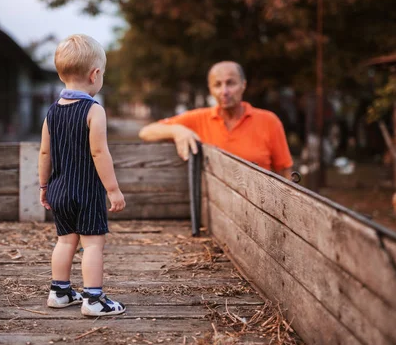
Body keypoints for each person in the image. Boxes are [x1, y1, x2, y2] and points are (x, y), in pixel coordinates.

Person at [38, 34, 126, 317]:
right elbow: (100, 154)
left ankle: (60, 292)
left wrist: (43, 186)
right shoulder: (93, 110)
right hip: (86, 192)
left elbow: (44, 154)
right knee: (92, 245)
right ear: (95, 74)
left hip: (59, 189)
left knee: (65, 241)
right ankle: (93, 299)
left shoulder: (51, 112)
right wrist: (113, 190)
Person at [139, 61, 293, 179]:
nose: (224, 91)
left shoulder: (269, 121)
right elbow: (146, 132)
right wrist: (177, 130)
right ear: (210, 89)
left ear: (243, 85)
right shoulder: (198, 118)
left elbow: (285, 172)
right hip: (214, 209)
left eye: (230, 83)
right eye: (217, 85)